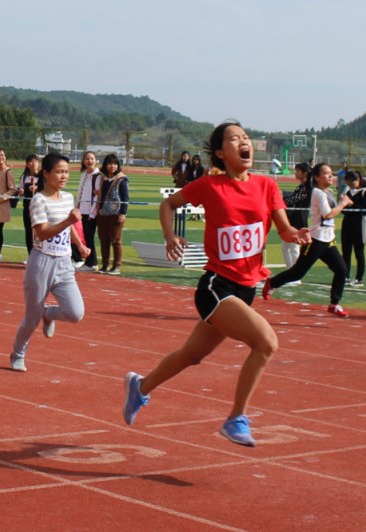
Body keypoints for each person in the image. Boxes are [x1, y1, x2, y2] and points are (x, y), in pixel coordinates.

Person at [122, 121, 311, 447]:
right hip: (216, 287)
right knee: (266, 342)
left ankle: (140, 387)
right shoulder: (210, 186)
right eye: (235, 139)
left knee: (191, 356)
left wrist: (296, 235)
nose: (244, 142)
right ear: (221, 152)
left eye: (246, 137)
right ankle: (236, 417)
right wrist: (170, 235)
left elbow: (284, 229)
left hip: (245, 289)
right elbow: (168, 204)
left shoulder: (267, 186)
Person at [9, 152, 89, 372]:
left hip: (64, 263)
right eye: (59, 172)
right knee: (31, 318)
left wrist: (79, 245)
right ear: (46, 173)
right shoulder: (38, 200)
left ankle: (49, 313)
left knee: (75, 313)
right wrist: (68, 220)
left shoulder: (68, 198)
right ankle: (17, 354)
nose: (64, 176)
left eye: (67, 172)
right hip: (41, 263)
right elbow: (42, 233)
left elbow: (69, 227)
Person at [262, 163, 353, 317]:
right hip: (316, 240)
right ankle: (272, 283)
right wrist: (343, 203)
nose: (330, 176)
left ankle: (334, 304)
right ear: (316, 177)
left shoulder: (329, 192)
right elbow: (328, 215)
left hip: (328, 240)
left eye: (331, 173)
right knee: (298, 273)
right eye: (326, 173)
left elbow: (331, 215)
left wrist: (344, 205)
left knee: (341, 270)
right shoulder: (317, 192)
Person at [96, 153, 129, 275]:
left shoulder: (122, 179)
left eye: (115, 164)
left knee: (116, 241)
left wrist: (123, 213)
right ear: (105, 165)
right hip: (102, 213)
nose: (112, 166)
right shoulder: (102, 178)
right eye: (110, 163)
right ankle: (105, 265)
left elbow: (125, 198)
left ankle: (116, 266)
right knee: (104, 241)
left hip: (116, 214)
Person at [341, 170, 366, 287]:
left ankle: (359, 278)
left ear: (358, 180)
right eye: (348, 183)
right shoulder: (349, 192)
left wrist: (352, 205)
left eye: (352, 182)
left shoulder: (365, 192)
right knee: (346, 252)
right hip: (347, 224)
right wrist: (343, 204)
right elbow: (344, 211)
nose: (350, 185)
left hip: (359, 225)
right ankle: (345, 276)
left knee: (359, 252)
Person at [281, 162, 312, 273]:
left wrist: (282, 197)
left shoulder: (308, 187)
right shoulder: (301, 187)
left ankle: (295, 274)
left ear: (304, 173)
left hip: (299, 221)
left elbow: (292, 199)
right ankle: (290, 272)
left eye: (298, 171)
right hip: (292, 219)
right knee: (285, 247)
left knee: (294, 248)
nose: (296, 173)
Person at [75, 151, 101, 272]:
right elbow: (80, 193)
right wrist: (77, 208)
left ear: (96, 160)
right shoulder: (84, 175)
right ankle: (89, 262)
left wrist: (92, 213)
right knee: (85, 236)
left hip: (91, 212)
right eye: (87, 159)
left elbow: (97, 197)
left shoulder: (98, 176)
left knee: (89, 236)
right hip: (82, 210)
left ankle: (92, 263)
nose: (89, 161)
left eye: (92, 158)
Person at [17, 154, 40, 256]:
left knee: (39, 232)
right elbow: (20, 191)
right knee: (28, 231)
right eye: (31, 161)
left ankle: (40, 255)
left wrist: (37, 188)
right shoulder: (24, 177)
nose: (33, 163)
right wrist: (21, 191)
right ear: (27, 164)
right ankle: (31, 255)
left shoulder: (43, 176)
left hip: (39, 208)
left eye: (35, 161)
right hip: (27, 208)